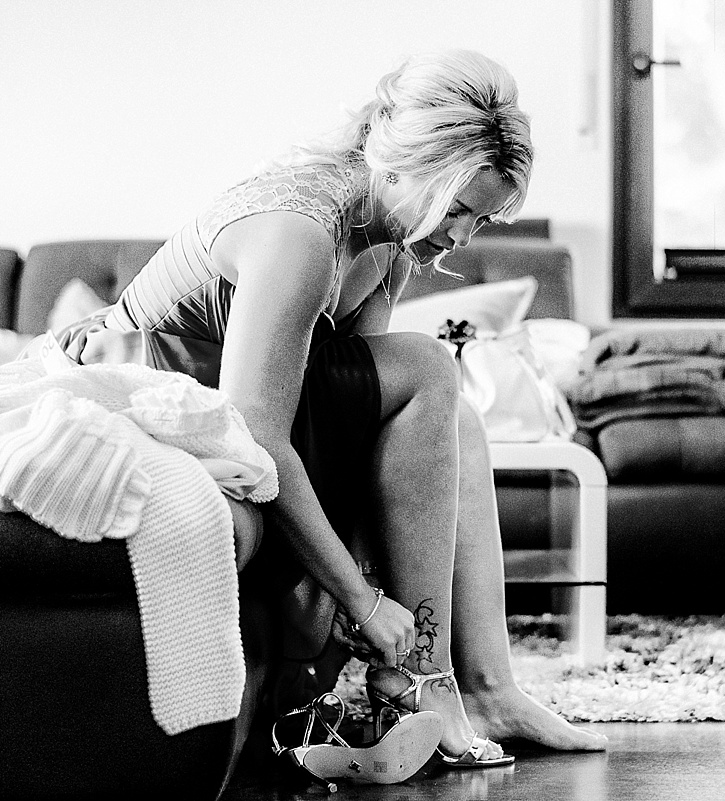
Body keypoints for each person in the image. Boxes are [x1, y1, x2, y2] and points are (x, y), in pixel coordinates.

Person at [56, 49, 608, 766]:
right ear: (408, 165)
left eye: (481, 220)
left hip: (239, 407)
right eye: (460, 209)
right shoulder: (302, 230)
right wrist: (363, 600)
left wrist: (355, 584)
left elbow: (370, 432)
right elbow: (256, 433)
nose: (463, 236)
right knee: (430, 365)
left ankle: (483, 683)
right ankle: (425, 683)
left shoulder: (388, 241)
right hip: (172, 393)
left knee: (454, 411)